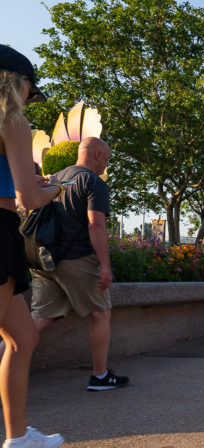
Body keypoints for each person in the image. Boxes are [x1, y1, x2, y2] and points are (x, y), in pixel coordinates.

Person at [0, 44, 65, 448]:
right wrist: (57, 186)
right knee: (20, 339)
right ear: (17, 82)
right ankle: (17, 440)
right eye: (30, 89)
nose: (29, 98)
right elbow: (29, 197)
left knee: (23, 336)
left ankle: (19, 439)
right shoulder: (12, 121)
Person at [27, 137, 128, 392]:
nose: (107, 161)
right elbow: (95, 225)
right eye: (107, 156)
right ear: (96, 154)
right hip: (78, 260)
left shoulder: (52, 179)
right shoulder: (93, 182)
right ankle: (100, 376)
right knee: (101, 313)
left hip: (43, 260)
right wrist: (105, 265)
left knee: (39, 318)